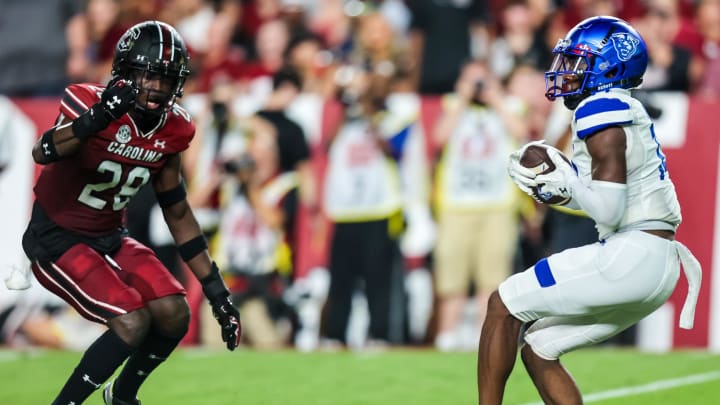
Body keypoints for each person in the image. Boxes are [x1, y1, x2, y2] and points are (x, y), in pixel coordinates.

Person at [477, 16, 702, 404]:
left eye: (578, 63)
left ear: (608, 68)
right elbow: (606, 201)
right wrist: (566, 193)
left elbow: (610, 209)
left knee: (503, 302)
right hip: (654, 259)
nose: (566, 72)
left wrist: (566, 184)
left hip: (631, 252)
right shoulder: (621, 106)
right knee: (540, 346)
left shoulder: (601, 106)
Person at [21, 21, 241, 405]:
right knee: (131, 320)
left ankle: (121, 398)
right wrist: (99, 118)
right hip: (55, 237)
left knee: (174, 312)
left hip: (109, 236)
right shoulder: (87, 99)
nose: (157, 88)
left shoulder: (175, 127)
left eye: (167, 79)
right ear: (125, 71)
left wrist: (217, 292)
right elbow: (44, 151)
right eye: (149, 75)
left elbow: (176, 208)